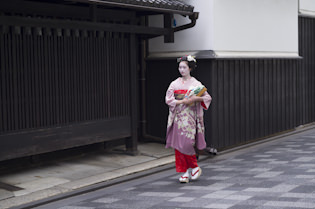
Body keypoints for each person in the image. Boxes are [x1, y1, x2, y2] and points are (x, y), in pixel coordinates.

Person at [165, 55, 212, 183]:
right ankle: (184, 172)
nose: (181, 70)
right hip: (178, 117)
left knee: (187, 144)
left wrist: (195, 99)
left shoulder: (196, 84)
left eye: (184, 67)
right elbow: (168, 99)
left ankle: (194, 167)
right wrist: (181, 102)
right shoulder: (174, 83)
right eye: (180, 67)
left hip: (190, 117)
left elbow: (207, 98)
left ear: (190, 68)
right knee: (178, 145)